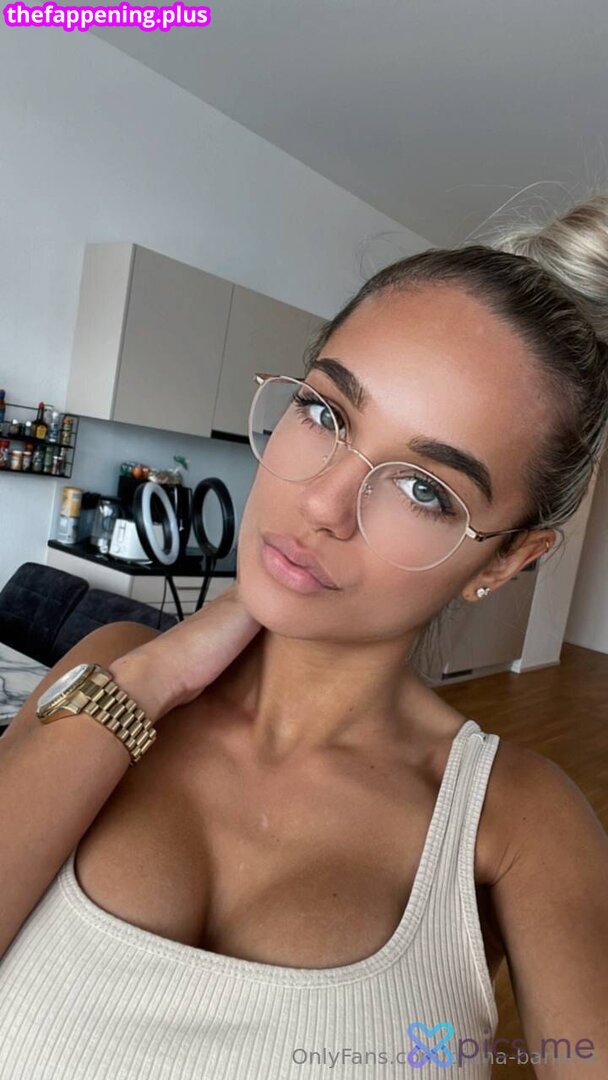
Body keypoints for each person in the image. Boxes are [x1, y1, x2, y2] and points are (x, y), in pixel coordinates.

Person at [0, 194, 607, 1080]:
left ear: (508, 559)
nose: (322, 503)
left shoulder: (518, 821)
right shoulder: (112, 670)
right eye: (326, 413)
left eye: (425, 489)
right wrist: (152, 678)